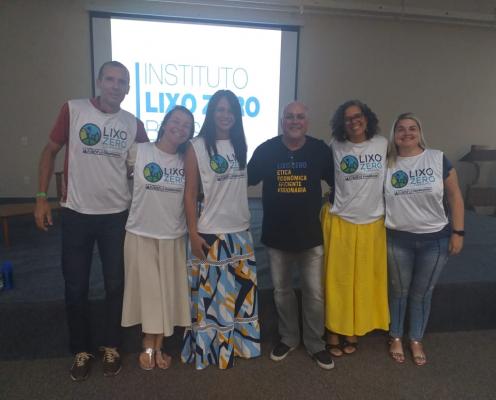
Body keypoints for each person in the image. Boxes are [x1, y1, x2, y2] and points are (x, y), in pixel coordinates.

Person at [34, 61, 149, 381]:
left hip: (117, 217)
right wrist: (41, 196)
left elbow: (141, 168)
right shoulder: (74, 110)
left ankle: (112, 345)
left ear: (128, 89)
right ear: (99, 82)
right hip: (76, 214)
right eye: (110, 79)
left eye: (122, 82)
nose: (115, 86)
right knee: (76, 286)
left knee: (116, 285)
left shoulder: (133, 124)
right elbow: (49, 151)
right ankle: (81, 350)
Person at [248, 101, 335, 370]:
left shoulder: (320, 150)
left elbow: (338, 183)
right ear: (282, 121)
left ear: (307, 122)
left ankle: (315, 343)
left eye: (299, 117)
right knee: (282, 292)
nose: (294, 121)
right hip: (276, 237)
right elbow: (245, 179)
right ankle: (289, 338)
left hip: (311, 237)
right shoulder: (266, 150)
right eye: (289, 117)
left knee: (314, 294)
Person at [180, 90, 260, 370]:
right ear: (211, 113)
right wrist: (193, 233)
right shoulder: (196, 146)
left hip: (241, 232)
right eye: (220, 110)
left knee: (240, 297)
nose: (226, 115)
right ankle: (212, 351)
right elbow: (190, 194)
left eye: (231, 110)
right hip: (211, 232)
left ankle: (238, 347)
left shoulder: (240, 143)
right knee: (213, 300)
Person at [385, 113, 464, 366]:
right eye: (401, 129)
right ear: (394, 134)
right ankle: (396, 336)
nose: (406, 133)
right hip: (397, 240)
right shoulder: (386, 163)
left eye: (412, 128)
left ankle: (416, 338)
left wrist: (458, 232)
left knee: (422, 293)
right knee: (399, 291)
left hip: (435, 241)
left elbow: (455, 196)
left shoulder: (437, 158)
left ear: (420, 132)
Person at [121, 106, 194, 370]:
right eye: (176, 121)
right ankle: (149, 344)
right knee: (150, 294)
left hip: (173, 236)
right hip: (140, 233)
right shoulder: (139, 151)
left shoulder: (187, 161)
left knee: (166, 293)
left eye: (187, 125)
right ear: (164, 123)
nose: (180, 128)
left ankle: (158, 344)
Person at [321, 100, 389, 357]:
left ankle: (353, 329)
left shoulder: (382, 144)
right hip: (341, 221)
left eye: (357, 116)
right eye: (348, 118)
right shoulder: (335, 146)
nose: (354, 121)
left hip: (372, 224)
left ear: (366, 118)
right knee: (337, 282)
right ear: (342, 123)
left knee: (362, 282)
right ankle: (333, 331)